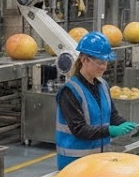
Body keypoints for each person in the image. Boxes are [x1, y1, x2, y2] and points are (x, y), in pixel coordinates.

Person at [55, 31, 134, 169]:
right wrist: (110, 130)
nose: (103, 67)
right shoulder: (70, 91)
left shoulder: (103, 85)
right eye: (99, 62)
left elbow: (112, 115)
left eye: (106, 62)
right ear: (84, 60)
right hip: (75, 163)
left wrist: (127, 126)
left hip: (99, 159)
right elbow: (79, 129)